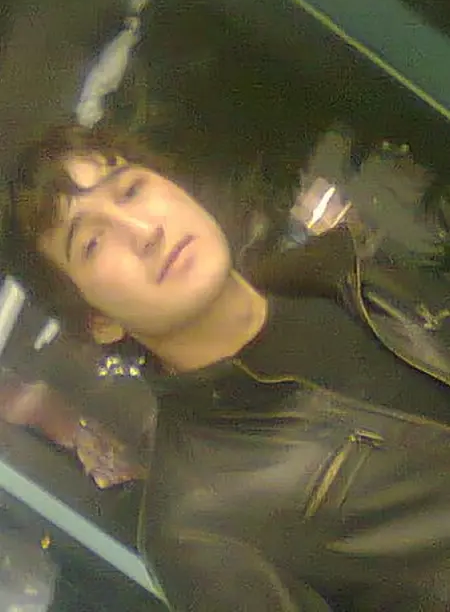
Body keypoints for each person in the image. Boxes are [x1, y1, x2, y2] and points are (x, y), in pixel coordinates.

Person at [7, 122, 450, 610]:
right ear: (99, 320)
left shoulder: (352, 272)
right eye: (92, 242)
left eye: (130, 190)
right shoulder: (196, 528)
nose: (144, 231)